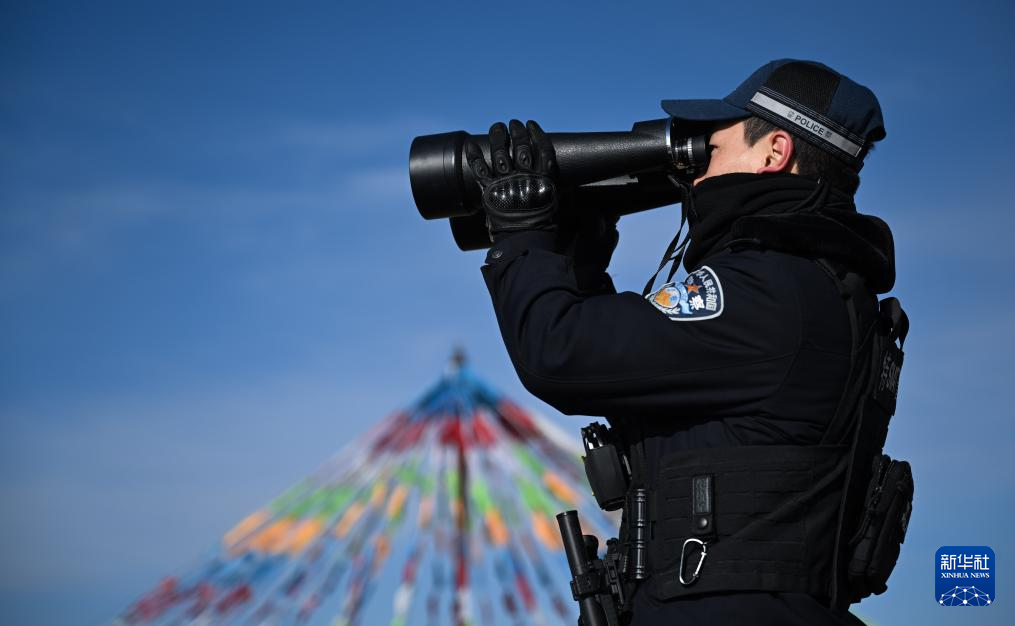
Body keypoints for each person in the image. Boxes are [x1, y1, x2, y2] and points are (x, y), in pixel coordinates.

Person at [467, 59, 899, 625]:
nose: (693, 174)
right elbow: (624, 377)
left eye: (710, 150)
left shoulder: (769, 291)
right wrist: (579, 264)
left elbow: (561, 354)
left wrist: (524, 238)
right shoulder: (813, 286)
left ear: (774, 152)